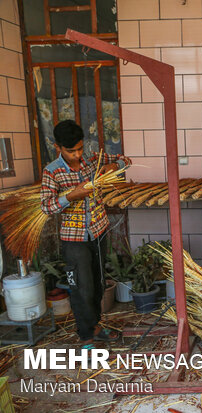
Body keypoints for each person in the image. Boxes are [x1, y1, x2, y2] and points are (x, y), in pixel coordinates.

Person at [41, 120, 131, 347]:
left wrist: (113, 167)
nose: (77, 154)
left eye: (80, 148)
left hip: (98, 231)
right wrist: (72, 195)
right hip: (74, 239)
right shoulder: (52, 172)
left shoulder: (91, 160)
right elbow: (47, 207)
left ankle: (96, 326)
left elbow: (125, 161)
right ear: (57, 147)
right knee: (82, 288)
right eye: (71, 151)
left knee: (99, 284)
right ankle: (86, 337)